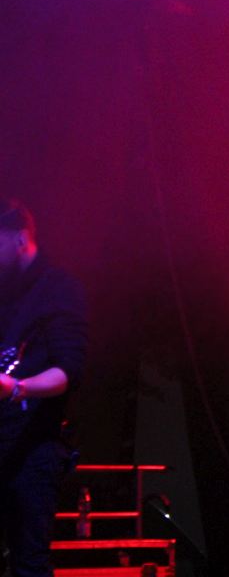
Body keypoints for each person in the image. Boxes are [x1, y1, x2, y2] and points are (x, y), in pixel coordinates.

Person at [0, 199, 88, 577]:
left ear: (20, 239)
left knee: (29, 565)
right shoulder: (5, 292)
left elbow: (67, 372)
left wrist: (16, 388)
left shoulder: (59, 289)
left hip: (33, 449)